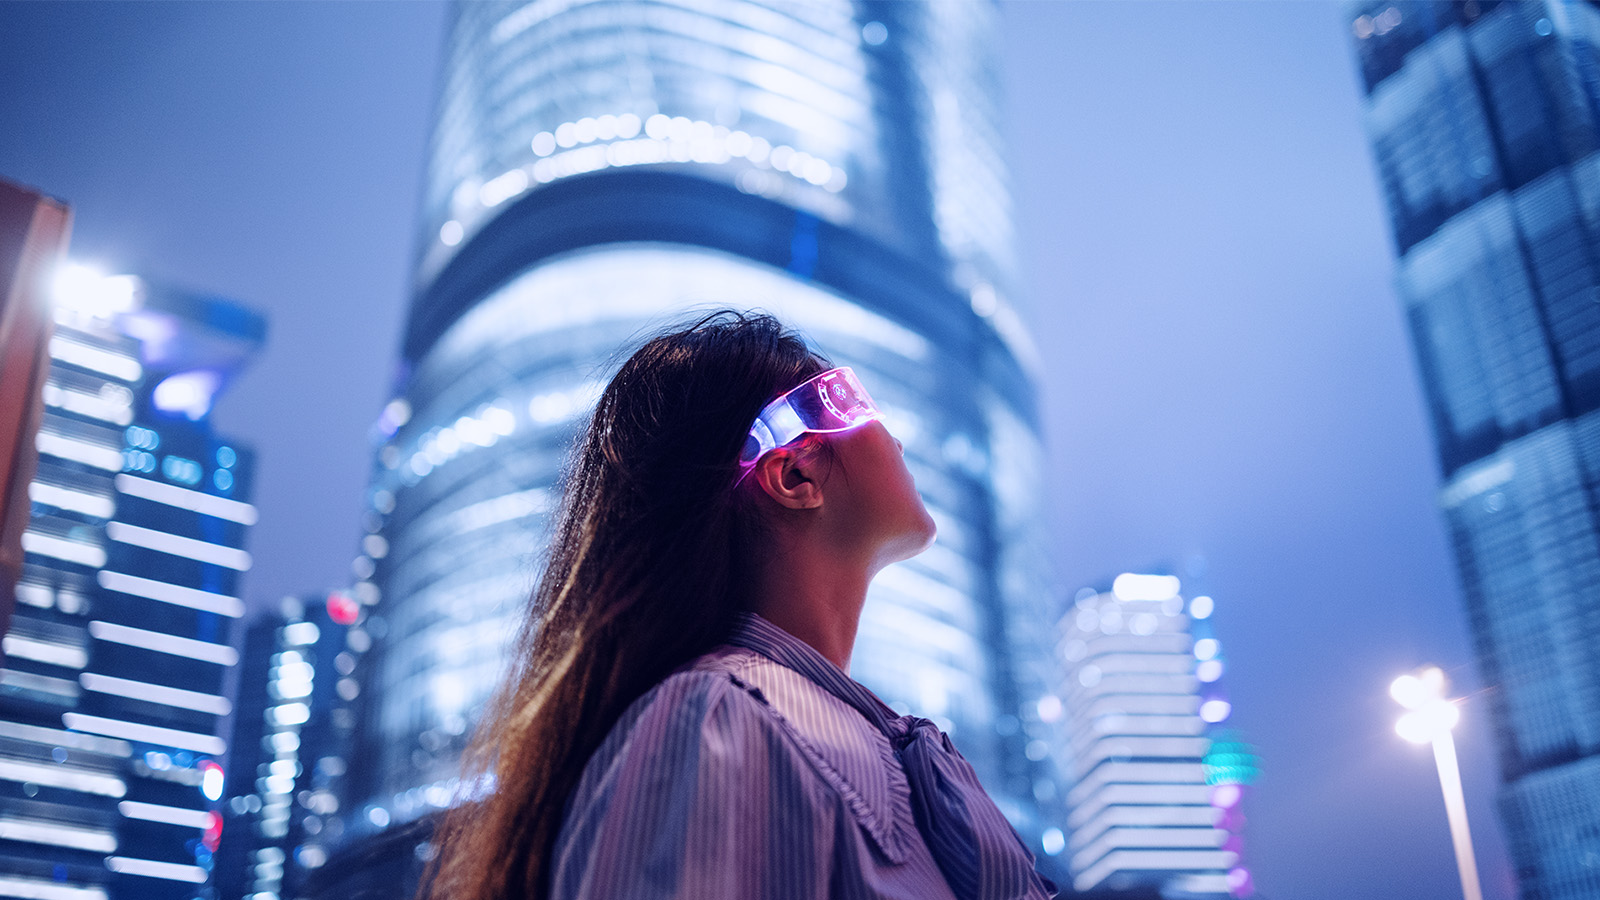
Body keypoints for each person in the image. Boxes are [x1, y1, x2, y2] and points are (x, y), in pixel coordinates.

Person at [423, 312, 1055, 900]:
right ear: (794, 477)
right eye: (850, 402)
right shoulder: (716, 719)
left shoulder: (816, 733)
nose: (892, 435)